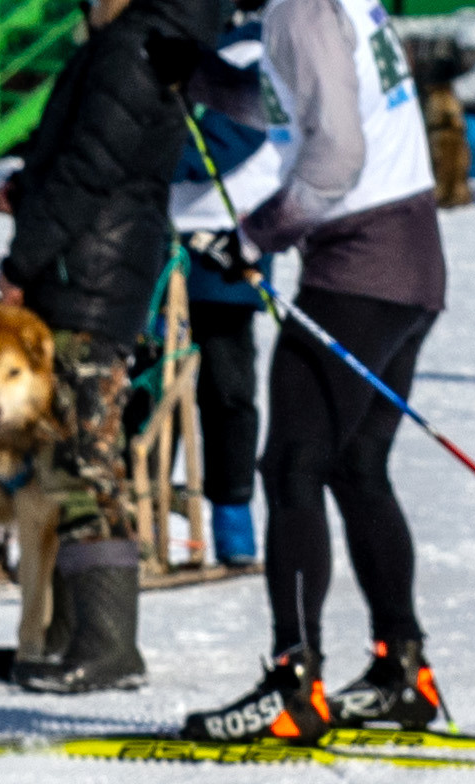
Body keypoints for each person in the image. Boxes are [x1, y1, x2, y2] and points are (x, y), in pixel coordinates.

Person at [179, 0, 446, 748]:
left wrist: (254, 238)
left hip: (360, 267)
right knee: (357, 469)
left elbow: (334, 156)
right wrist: (201, 78)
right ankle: (403, 671)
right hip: (411, 259)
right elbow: (292, 98)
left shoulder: (301, 6)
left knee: (291, 466)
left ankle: (294, 689)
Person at [0, 0, 227, 694]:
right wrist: (24, 188)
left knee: (86, 463)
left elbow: (93, 169)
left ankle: (108, 643)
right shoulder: (134, 43)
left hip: (90, 279)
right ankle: (64, 637)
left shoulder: (133, 48)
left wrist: (22, 262)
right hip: (87, 271)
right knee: (60, 462)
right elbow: (81, 154)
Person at [171, 21, 282, 570]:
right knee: (150, 386)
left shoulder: (258, 47)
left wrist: (149, 151)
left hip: (229, 248)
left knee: (226, 390)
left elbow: (234, 132)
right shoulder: (166, 39)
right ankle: (136, 510)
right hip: (160, 242)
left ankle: (232, 513)